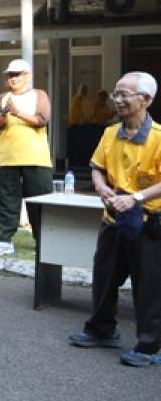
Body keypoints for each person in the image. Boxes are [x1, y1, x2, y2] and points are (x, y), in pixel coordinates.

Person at [68, 72, 161, 368]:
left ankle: (150, 345)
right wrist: (101, 186)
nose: (117, 100)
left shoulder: (158, 138)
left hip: (148, 221)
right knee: (105, 275)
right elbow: (97, 166)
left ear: (145, 99)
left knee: (149, 284)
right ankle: (101, 329)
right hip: (113, 217)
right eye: (116, 95)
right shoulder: (111, 133)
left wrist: (136, 198)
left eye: (124, 95)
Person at [0, 59, 53, 257]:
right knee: (7, 200)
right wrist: (6, 113)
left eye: (18, 74)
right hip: (7, 158)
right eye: (10, 75)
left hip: (36, 157)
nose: (13, 78)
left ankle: (43, 241)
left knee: (39, 200)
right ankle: (6, 239)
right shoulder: (2, 98)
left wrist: (18, 112)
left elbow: (42, 120)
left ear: (28, 75)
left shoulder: (39, 95)